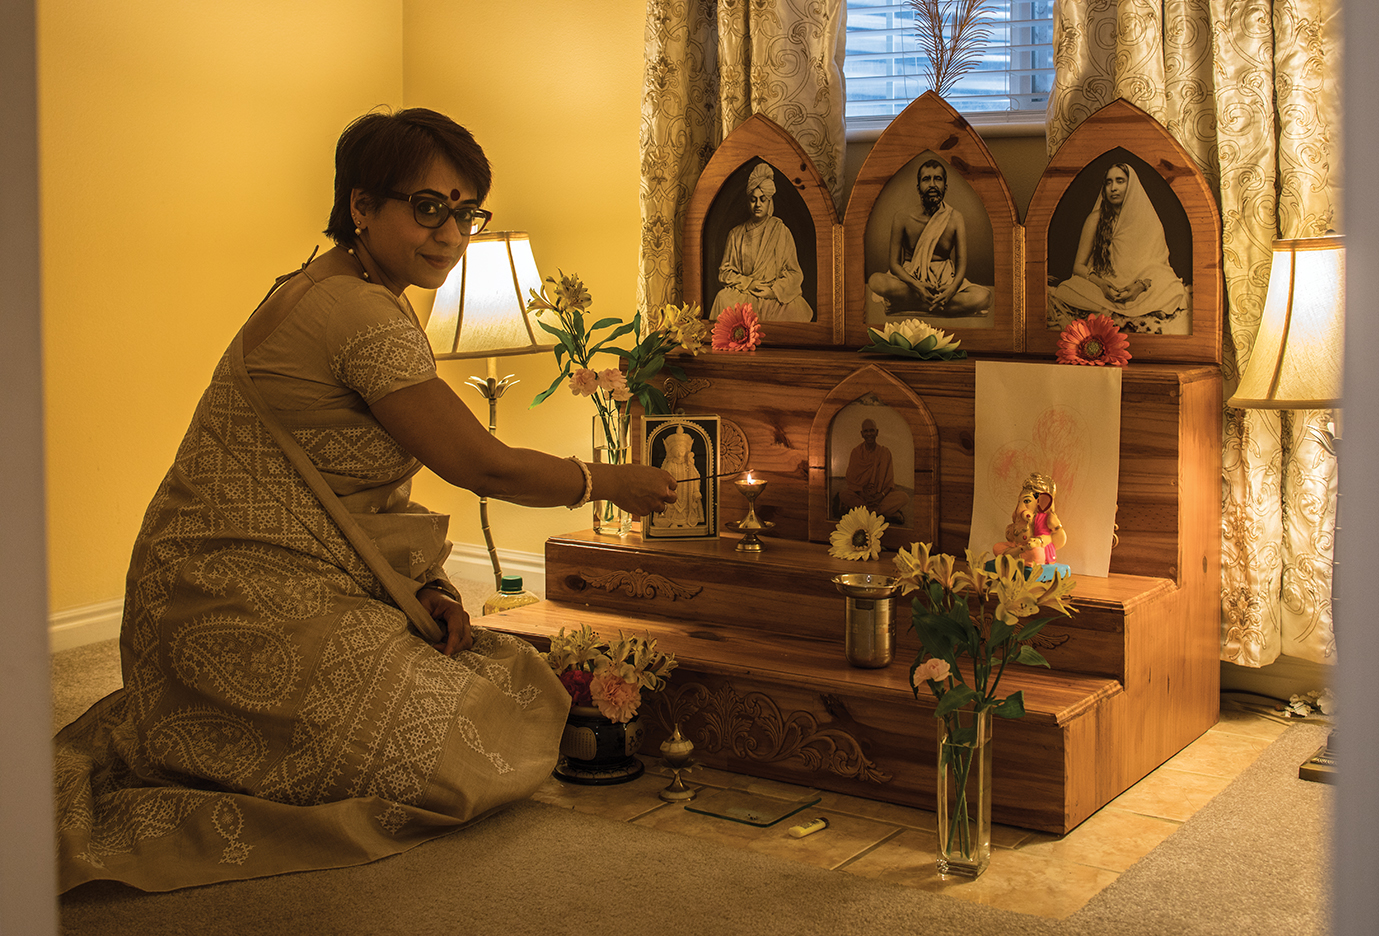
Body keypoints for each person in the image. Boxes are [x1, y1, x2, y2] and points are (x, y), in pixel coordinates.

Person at [50, 108, 678, 894]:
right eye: (427, 206)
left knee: (497, 672)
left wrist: (425, 586)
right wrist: (609, 481)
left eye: (466, 210)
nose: (450, 232)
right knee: (478, 743)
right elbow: (481, 465)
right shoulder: (353, 312)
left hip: (255, 588)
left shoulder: (349, 288)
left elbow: (342, 494)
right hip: (229, 601)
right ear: (360, 207)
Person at [1048, 162, 1187, 333]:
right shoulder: (1095, 219)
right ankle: (1119, 310)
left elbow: (1159, 267)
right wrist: (1103, 286)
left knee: (1173, 289)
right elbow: (1078, 266)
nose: (1113, 187)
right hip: (1103, 287)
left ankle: (1116, 310)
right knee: (1066, 290)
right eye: (1109, 182)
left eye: (1120, 181)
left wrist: (1139, 286)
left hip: (1138, 287)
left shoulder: (1148, 221)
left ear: (1132, 186)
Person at [868, 159, 992, 317]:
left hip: (944, 281)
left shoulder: (955, 218)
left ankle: (909, 305)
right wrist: (918, 286)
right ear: (918, 186)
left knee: (984, 297)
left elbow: (962, 264)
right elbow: (894, 265)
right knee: (875, 281)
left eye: (938, 179)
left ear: (945, 186)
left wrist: (951, 290)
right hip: (910, 279)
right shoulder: (902, 218)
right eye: (926, 179)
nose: (932, 184)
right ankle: (941, 307)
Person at [708, 162, 815, 322]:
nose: (757, 204)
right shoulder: (736, 234)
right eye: (753, 199)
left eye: (762, 199)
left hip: (773, 295)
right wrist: (749, 283)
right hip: (745, 294)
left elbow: (795, 273)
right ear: (748, 202)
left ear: (769, 201)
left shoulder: (781, 231)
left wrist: (773, 291)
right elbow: (725, 273)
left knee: (798, 308)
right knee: (722, 298)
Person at [837, 419, 909, 522]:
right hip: (862, 495)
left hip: (881, 496)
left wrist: (880, 496)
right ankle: (884, 514)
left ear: (877, 432)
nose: (869, 434)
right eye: (866, 431)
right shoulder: (856, 452)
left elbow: (889, 482)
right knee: (844, 494)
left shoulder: (885, 452)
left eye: (872, 430)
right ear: (862, 434)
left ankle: (864, 513)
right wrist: (864, 496)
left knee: (904, 497)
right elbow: (852, 480)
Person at [994, 473, 1067, 566]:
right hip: (1018, 548)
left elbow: (1049, 538)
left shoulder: (1041, 518)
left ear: (1040, 502)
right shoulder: (1020, 518)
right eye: (1020, 501)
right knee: (997, 547)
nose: (1020, 508)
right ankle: (1017, 556)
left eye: (1027, 501)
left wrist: (1039, 541)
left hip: (1033, 549)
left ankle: (1023, 561)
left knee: (1037, 553)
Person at [653, 425, 705, 529]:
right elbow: (665, 475)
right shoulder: (670, 464)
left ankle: (686, 522)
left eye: (682, 449)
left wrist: (695, 490)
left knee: (686, 505)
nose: (680, 452)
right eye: (677, 448)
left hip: (686, 490)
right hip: (674, 490)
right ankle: (673, 523)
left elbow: (696, 476)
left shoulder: (688, 464)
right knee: (672, 505)